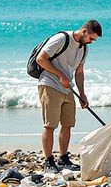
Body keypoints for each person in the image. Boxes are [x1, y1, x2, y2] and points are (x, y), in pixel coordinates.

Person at [34, 20, 102, 172]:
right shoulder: (62, 39)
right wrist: (60, 76)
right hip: (50, 84)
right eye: (91, 38)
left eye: (94, 40)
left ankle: (63, 159)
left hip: (67, 88)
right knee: (50, 125)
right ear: (84, 31)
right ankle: (48, 161)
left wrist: (82, 94)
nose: (91, 42)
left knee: (67, 125)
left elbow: (79, 72)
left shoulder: (84, 49)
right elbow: (41, 59)